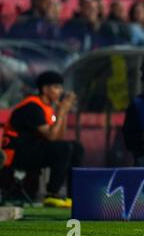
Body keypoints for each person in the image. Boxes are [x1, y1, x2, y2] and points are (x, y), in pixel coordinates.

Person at [0, 71, 83, 208]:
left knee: (75, 147)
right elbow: (51, 137)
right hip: (16, 154)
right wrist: (61, 111)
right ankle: (52, 194)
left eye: (61, 87)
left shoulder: (47, 108)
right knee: (64, 147)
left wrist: (63, 112)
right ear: (45, 89)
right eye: (56, 87)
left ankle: (72, 195)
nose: (60, 91)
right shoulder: (32, 106)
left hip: (32, 149)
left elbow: (58, 137)